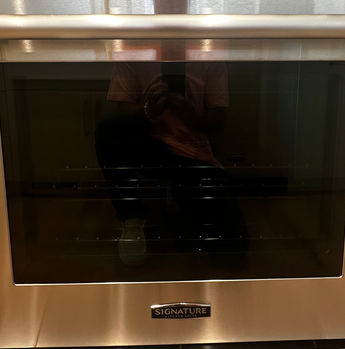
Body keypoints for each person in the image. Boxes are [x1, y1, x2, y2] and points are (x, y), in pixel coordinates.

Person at [95, 61, 239, 265]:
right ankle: (132, 217)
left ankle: (179, 192)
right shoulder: (133, 48)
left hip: (194, 154)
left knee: (233, 253)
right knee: (108, 128)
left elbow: (218, 122)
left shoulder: (208, 50)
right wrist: (147, 110)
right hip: (149, 146)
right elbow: (121, 116)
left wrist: (192, 118)